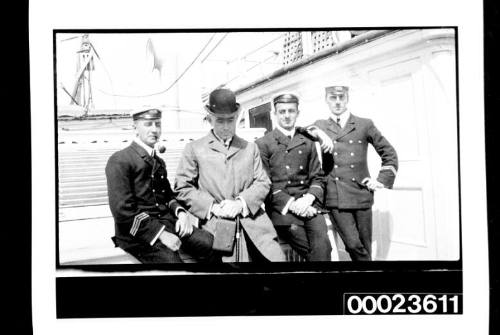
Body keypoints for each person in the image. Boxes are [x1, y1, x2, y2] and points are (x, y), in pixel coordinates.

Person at [174, 88, 286, 262]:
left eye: (231, 120)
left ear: (237, 117)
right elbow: (182, 187)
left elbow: (263, 182)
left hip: (255, 226)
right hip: (217, 228)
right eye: (220, 121)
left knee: (277, 265)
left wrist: (241, 204)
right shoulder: (195, 149)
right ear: (210, 119)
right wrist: (212, 207)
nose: (226, 127)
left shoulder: (250, 148)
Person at [105, 107, 220, 263]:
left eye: (158, 124)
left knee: (210, 243)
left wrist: (181, 213)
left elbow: (168, 196)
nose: (154, 129)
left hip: (167, 223)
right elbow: (123, 211)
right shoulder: (120, 160)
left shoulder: (158, 162)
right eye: (148, 124)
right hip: (137, 234)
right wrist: (161, 234)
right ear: (135, 128)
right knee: (172, 262)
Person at [304, 86, 398, 261]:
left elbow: (389, 153)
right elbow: (302, 131)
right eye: (333, 97)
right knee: (353, 245)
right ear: (326, 100)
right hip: (335, 196)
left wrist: (381, 180)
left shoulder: (364, 124)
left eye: (341, 97)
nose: (338, 101)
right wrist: (319, 133)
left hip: (361, 193)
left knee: (365, 246)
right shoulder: (321, 125)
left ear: (347, 99)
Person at [255, 93, 332, 261]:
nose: (287, 115)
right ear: (273, 114)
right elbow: (266, 184)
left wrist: (308, 199)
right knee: (313, 253)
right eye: (282, 111)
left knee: (324, 246)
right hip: (283, 210)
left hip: (309, 205)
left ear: (298, 113)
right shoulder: (263, 144)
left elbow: (317, 177)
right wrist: (294, 204)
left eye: (291, 111)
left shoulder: (307, 141)